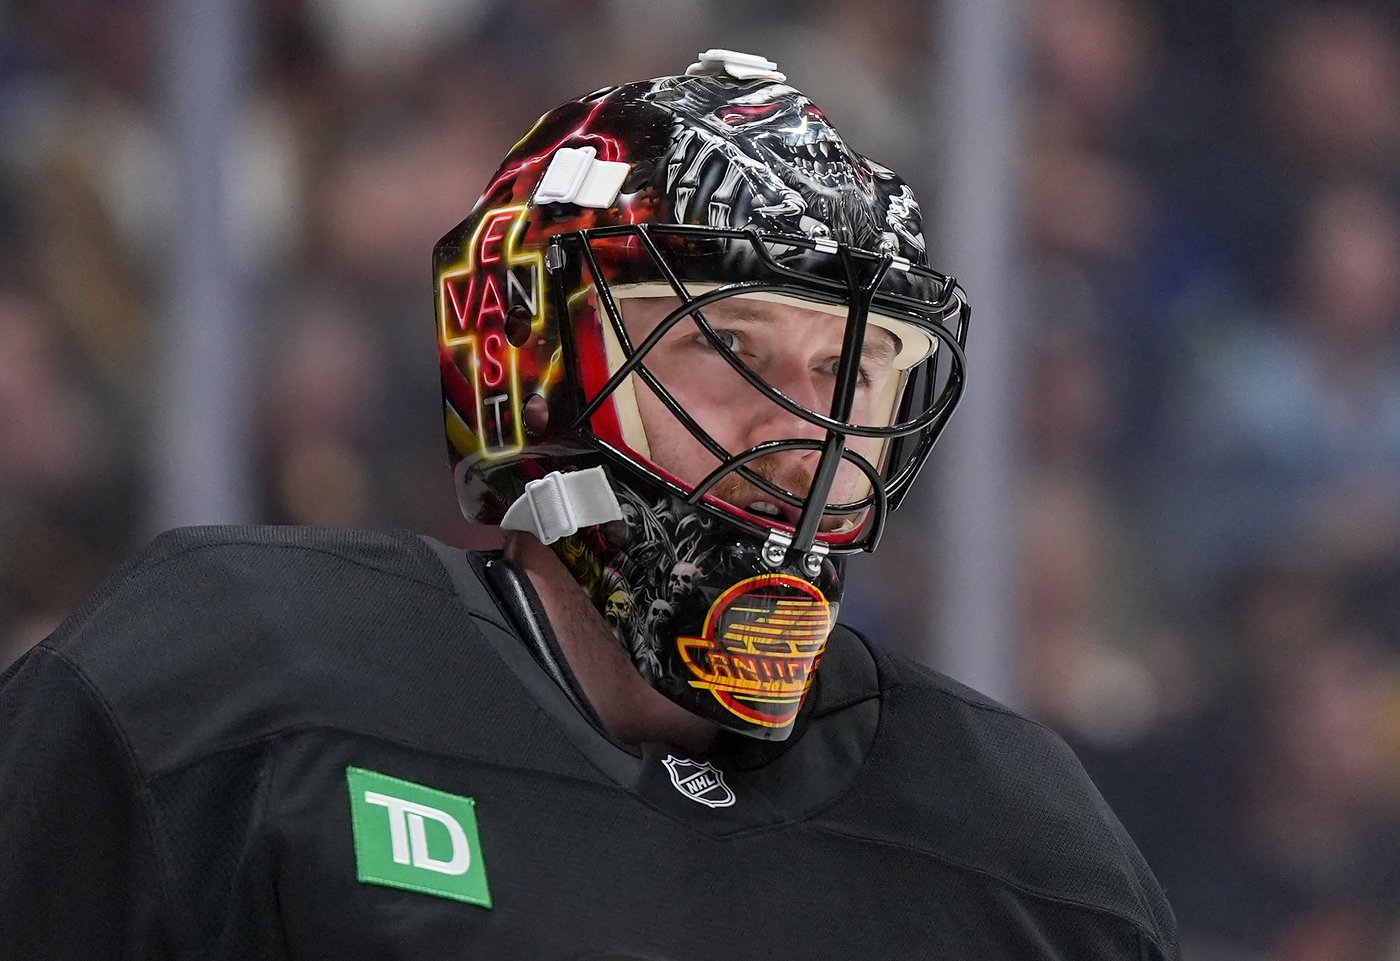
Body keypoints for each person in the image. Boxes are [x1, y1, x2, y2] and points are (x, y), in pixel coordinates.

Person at [0, 50, 1179, 959]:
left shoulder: (1029, 854)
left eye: (848, 371)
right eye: (732, 345)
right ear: (532, 356)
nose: (802, 438)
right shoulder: (224, 689)